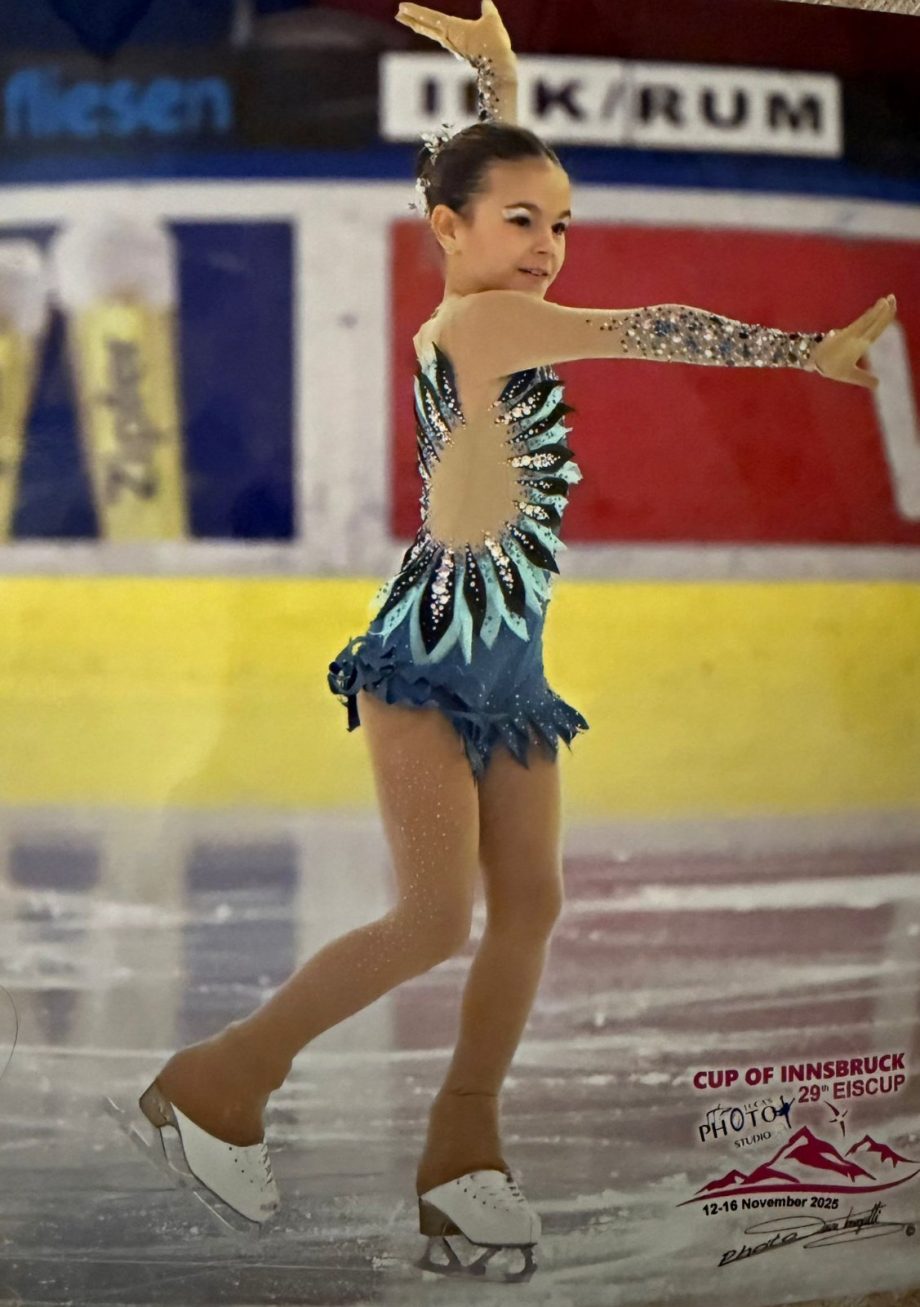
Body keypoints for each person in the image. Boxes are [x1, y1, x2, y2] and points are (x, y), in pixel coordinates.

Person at [133, 0, 897, 1281]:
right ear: (447, 229)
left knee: (530, 903)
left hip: (509, 669)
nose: (546, 247)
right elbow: (646, 325)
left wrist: (496, 85)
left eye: (561, 225)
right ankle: (217, 1082)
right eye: (521, 223)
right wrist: (801, 351)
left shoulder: (490, 284)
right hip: (432, 658)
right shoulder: (480, 325)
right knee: (435, 917)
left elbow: (483, 183)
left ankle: (461, 1151)